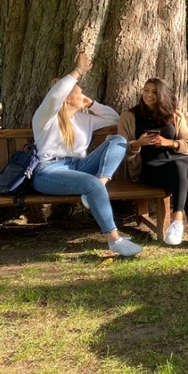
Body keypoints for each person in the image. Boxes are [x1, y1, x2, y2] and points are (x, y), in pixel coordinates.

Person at [31, 52, 138, 256]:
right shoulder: (45, 118)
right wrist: (78, 71)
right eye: (81, 93)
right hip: (48, 171)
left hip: (79, 166)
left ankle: (101, 182)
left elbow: (116, 120)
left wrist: (92, 104)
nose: (84, 95)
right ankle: (114, 239)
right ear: (68, 98)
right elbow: (54, 96)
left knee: (119, 140)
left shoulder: (84, 119)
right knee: (91, 184)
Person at [117, 78, 188, 248]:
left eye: (154, 92)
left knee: (182, 166)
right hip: (153, 167)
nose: (148, 95)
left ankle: (178, 222)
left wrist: (170, 143)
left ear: (162, 95)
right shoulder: (129, 117)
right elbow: (120, 147)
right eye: (146, 90)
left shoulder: (174, 115)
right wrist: (138, 144)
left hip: (181, 161)